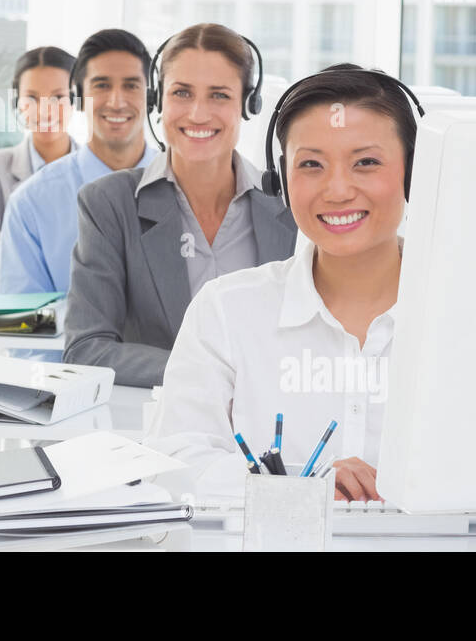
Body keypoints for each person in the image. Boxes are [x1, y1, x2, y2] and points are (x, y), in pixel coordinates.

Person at [144, 63, 423, 501]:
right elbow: (176, 462)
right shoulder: (226, 310)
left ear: (413, 173)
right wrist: (299, 491)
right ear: (281, 181)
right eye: (311, 164)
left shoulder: (465, 314)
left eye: (366, 162)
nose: (337, 189)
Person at [63, 24, 297, 387]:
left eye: (219, 95)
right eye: (182, 93)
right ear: (158, 101)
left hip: (270, 429)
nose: (198, 114)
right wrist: (204, 372)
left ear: (248, 104)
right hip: (152, 430)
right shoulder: (110, 204)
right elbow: (87, 348)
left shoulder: (288, 209)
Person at [0, 30, 158, 294]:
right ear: (79, 97)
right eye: (102, 85)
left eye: (131, 85)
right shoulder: (31, 203)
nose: (116, 102)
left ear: (151, 97)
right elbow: (21, 319)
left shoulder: (186, 187)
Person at [0, 46, 78, 269]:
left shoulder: (97, 170)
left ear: (76, 100)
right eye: (32, 98)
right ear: (18, 103)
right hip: (3, 299)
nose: (44, 111)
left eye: (58, 97)